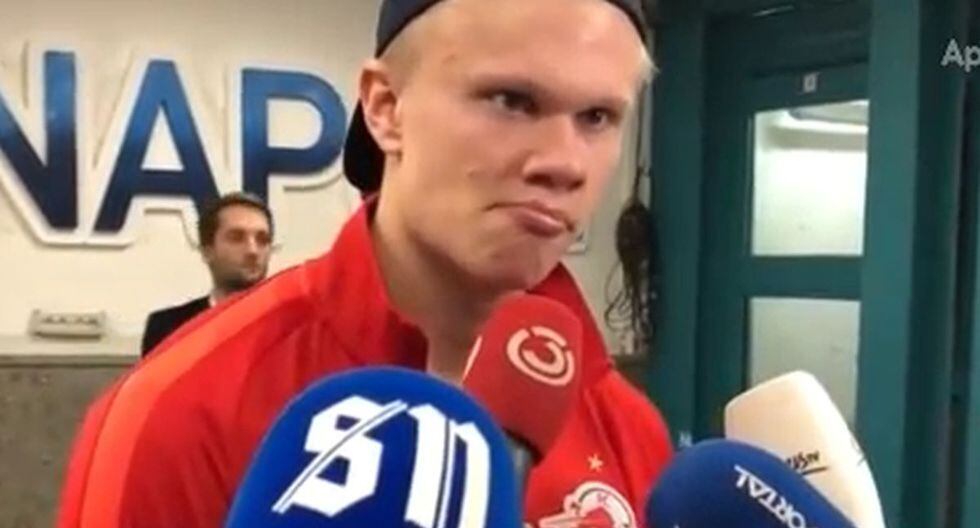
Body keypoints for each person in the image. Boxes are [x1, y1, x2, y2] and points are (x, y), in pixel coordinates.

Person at [56, 0, 673, 526]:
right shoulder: (182, 411)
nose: (565, 163)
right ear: (385, 107)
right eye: (511, 100)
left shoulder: (627, 424)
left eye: (597, 117)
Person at [140, 192, 273, 356]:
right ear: (207, 251)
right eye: (237, 238)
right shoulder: (168, 328)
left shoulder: (293, 326)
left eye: (262, 240)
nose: (253, 250)